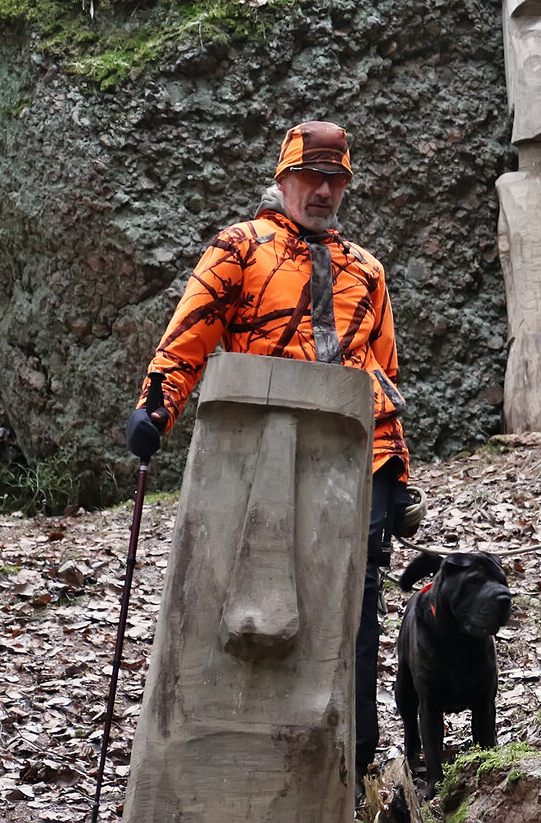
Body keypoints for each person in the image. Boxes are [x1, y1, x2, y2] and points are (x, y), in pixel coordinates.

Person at [125, 119, 418, 780]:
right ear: (283, 177)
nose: (321, 190)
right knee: (238, 594)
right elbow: (190, 336)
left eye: (333, 179)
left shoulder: (367, 273)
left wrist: (397, 474)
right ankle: (217, 754)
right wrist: (155, 406)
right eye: (309, 177)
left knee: (353, 605)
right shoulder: (239, 249)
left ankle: (350, 761)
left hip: (354, 463)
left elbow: (383, 377)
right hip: (257, 456)